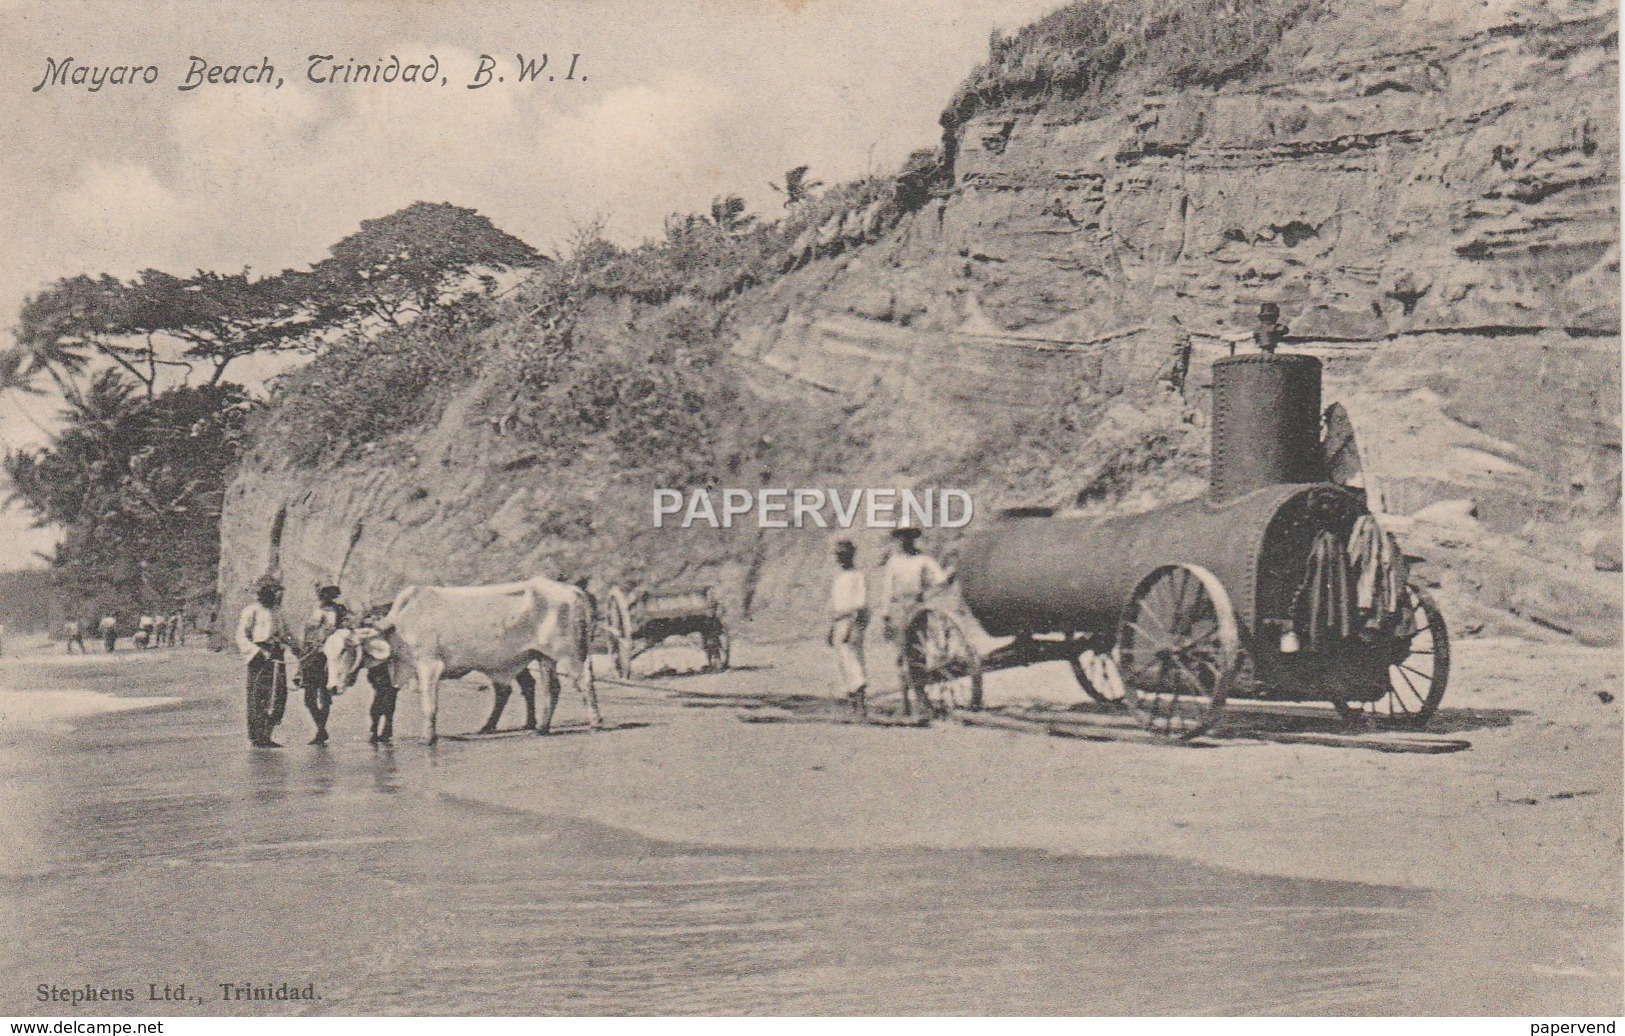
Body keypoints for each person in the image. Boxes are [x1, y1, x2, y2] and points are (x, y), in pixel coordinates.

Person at [237, 577, 298, 748]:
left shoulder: (277, 611)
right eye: (270, 592)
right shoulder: (251, 611)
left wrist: (296, 647)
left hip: (276, 654)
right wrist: (256, 652)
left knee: (278, 694)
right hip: (259, 657)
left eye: (275, 592)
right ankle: (257, 736)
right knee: (258, 695)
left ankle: (268, 734)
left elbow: (285, 633)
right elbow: (241, 636)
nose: (274, 595)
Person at [299, 585, 349, 745]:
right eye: (322, 593)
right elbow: (307, 631)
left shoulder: (338, 610)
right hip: (311, 654)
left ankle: (321, 730)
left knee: (325, 695)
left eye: (327, 593)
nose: (323, 596)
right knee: (309, 698)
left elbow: (343, 630)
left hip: (328, 655)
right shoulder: (312, 609)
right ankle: (321, 728)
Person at [826, 540, 869, 716]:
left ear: (851, 556)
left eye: (844, 555)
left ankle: (860, 706)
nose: (841, 559)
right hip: (839, 622)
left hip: (851, 622)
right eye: (838, 556)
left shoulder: (857, 577)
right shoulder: (840, 578)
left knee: (853, 661)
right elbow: (836, 606)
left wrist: (851, 627)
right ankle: (853, 705)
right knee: (844, 662)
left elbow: (860, 604)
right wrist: (831, 629)